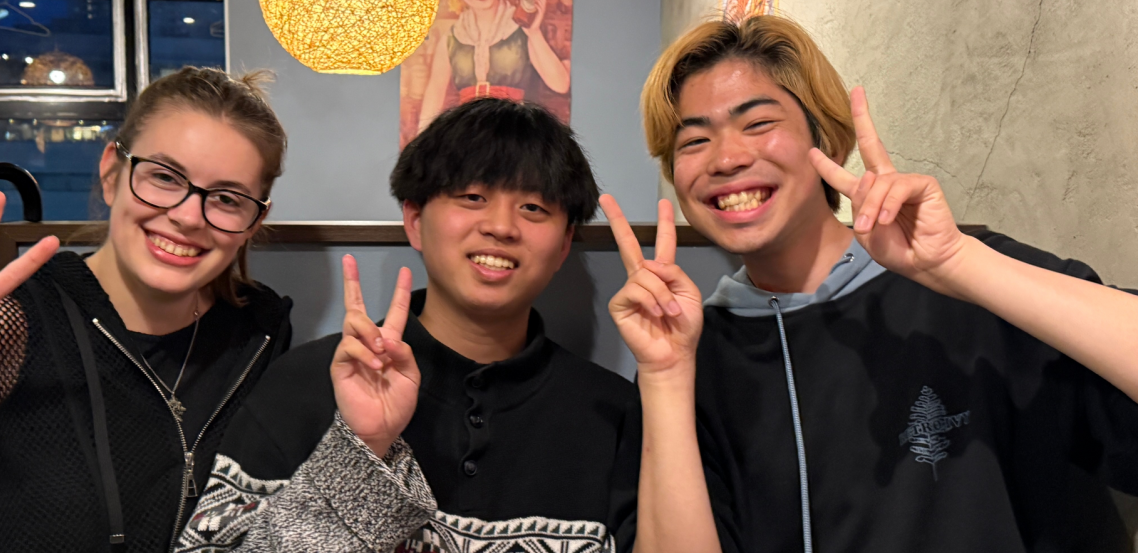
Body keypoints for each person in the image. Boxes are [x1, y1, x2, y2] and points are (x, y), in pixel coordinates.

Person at [603, 15, 1138, 553]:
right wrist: (668, 378)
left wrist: (960, 265)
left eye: (759, 124)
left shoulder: (972, 283)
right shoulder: (689, 357)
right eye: (694, 140)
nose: (726, 158)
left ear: (829, 142)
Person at [0, 67, 433, 552]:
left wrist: (365, 443)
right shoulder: (5, 321)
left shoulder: (258, 335)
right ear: (112, 172)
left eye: (226, 199)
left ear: (253, 220)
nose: (185, 214)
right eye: (163, 177)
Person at [177, 98, 641, 553]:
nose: (501, 226)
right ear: (415, 220)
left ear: (563, 246)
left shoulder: (610, 412)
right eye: (473, 197)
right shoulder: (304, 384)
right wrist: (361, 451)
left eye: (534, 209)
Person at [416, 0, 571, 132]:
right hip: (467, 132)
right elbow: (434, 94)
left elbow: (560, 84)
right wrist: (420, 147)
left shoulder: (522, 26)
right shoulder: (451, 38)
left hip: (513, 128)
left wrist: (534, 34)